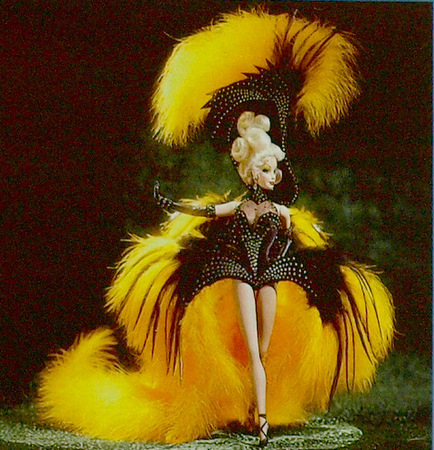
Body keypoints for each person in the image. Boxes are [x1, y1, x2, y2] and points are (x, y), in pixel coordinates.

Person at [37, 9, 394, 447]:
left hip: (276, 276)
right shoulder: (241, 205)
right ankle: (258, 418)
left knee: (265, 347)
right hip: (238, 272)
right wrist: (174, 205)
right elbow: (210, 212)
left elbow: (300, 232)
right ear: (250, 169)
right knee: (250, 345)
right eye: (266, 168)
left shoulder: (282, 213)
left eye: (276, 168)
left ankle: (259, 410)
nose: (273, 174)